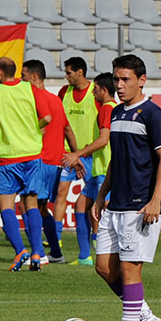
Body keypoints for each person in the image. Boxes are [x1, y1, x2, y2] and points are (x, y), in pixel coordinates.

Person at [91, 54, 161, 321]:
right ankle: (148, 319)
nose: (119, 85)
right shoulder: (116, 114)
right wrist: (101, 195)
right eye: (116, 79)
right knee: (103, 268)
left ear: (141, 80)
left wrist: (155, 199)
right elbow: (115, 161)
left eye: (125, 79)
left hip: (140, 206)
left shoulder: (152, 113)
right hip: (115, 205)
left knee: (129, 271)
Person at [0, 57, 51, 271]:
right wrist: (30, 131)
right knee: (31, 204)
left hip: (8, 157)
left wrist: (3, 133)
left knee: (6, 205)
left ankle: (20, 250)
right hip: (32, 155)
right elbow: (46, 118)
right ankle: (37, 253)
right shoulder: (31, 90)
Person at [21, 59, 81, 264]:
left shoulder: (33, 98)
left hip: (39, 160)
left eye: (23, 76)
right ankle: (55, 252)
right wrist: (76, 156)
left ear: (34, 77)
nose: (21, 80)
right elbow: (67, 129)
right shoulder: (56, 100)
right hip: (55, 162)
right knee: (41, 207)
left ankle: (39, 253)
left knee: (27, 205)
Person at [62, 72, 115, 266]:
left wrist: (78, 153)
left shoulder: (107, 109)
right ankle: (85, 255)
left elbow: (103, 140)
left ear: (104, 90)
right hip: (97, 169)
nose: (92, 93)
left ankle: (106, 251)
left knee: (103, 211)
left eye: (95, 90)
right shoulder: (108, 109)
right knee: (81, 205)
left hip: (104, 169)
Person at [55, 57, 100, 254]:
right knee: (61, 193)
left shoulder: (95, 93)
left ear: (80, 72)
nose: (66, 77)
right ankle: (56, 238)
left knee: (94, 200)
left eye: (69, 73)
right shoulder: (64, 92)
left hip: (90, 155)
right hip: (68, 155)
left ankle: (96, 238)